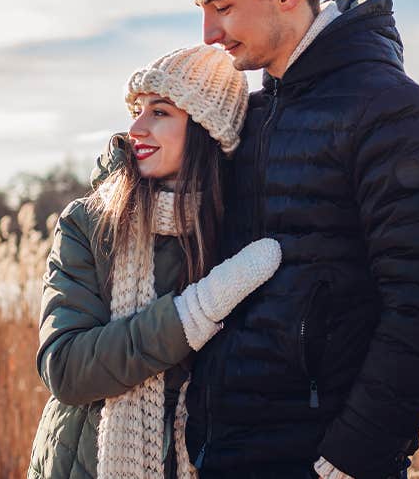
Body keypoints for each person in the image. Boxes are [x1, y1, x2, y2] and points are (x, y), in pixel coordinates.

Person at [94, 0, 419, 479]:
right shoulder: (247, 112)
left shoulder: (392, 114)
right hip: (221, 451)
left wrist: (352, 458)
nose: (209, 33)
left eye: (222, 6)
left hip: (318, 458)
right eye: (202, 10)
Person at [27, 45, 284, 479]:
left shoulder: (234, 232)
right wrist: (192, 313)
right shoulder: (90, 223)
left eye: (160, 112)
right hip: (86, 464)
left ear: (207, 129)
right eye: (138, 110)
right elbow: (66, 367)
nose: (136, 128)